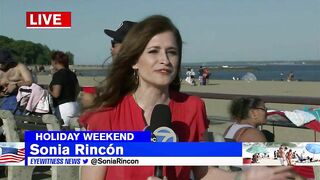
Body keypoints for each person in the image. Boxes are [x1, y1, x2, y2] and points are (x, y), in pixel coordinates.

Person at [80, 15, 293, 180]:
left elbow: (203, 171)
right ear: (135, 61)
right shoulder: (104, 116)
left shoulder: (192, 108)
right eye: (154, 51)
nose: (165, 60)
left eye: (171, 52)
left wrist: (243, 176)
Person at [49, 51, 80, 126]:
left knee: (62, 132)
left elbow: (56, 94)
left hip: (63, 107)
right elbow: (78, 90)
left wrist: (49, 90)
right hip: (74, 105)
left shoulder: (58, 75)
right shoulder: (72, 74)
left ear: (55, 62)